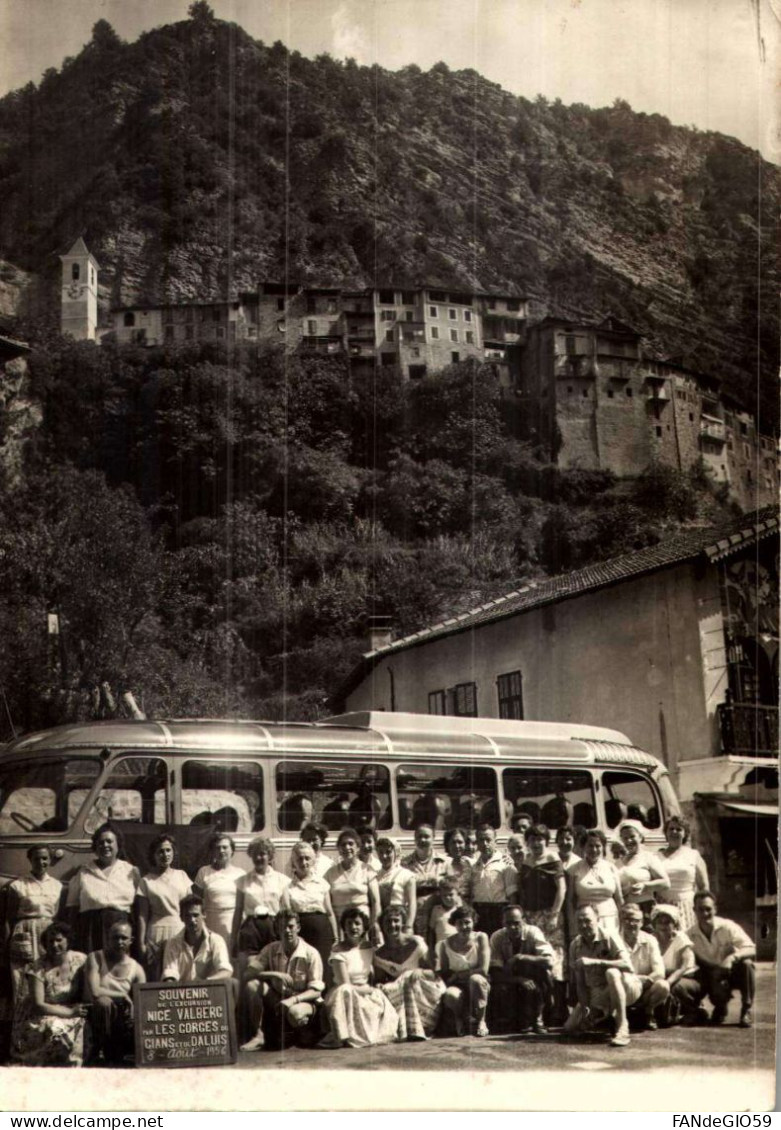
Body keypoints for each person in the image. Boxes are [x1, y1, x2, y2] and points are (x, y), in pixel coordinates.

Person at [240, 910, 324, 1052]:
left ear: (298, 928)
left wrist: (293, 1000)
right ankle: (259, 1036)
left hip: (304, 1001)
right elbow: (247, 974)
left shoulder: (311, 953)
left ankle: (303, 1033)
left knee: (295, 1014)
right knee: (252, 985)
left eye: (291, 926)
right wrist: (274, 974)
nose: (287, 931)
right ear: (277, 930)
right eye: (282, 927)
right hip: (278, 999)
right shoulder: (270, 949)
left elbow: (316, 991)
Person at [10, 921, 88, 1067]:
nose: (54, 945)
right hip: (41, 1012)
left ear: (68, 940)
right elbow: (38, 1005)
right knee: (54, 1027)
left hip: (69, 1007)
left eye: (59, 940)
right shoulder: (38, 967)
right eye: (50, 941)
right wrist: (70, 1012)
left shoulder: (80, 960)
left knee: (84, 1024)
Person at [320, 908, 399, 1048]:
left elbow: (383, 969)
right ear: (343, 927)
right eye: (349, 923)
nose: (353, 927)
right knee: (345, 990)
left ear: (364, 928)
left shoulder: (369, 948)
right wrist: (368, 990)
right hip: (343, 995)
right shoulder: (338, 949)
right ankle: (342, 1035)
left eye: (357, 923)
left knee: (380, 997)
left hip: (365, 991)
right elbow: (345, 984)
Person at [563, 905, 640, 1048]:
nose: (584, 925)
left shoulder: (609, 936)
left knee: (611, 972)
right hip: (599, 992)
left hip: (626, 986)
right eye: (579, 921)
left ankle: (622, 1026)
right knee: (570, 1027)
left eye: (587, 920)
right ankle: (605, 1018)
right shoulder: (575, 945)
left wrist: (596, 962)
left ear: (597, 919)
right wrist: (587, 1009)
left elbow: (628, 965)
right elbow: (580, 983)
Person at [517, 823, 567, 1022]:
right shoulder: (527, 861)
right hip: (531, 915)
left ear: (546, 840)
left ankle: (559, 1009)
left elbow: (561, 889)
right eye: (532, 840)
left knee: (554, 959)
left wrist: (554, 913)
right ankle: (541, 1010)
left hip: (550, 915)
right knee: (535, 960)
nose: (536, 843)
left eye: (539, 839)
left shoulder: (553, 858)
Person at [373, 904, 444, 1041]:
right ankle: (407, 1029)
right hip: (402, 992)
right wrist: (380, 985)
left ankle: (423, 1026)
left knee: (408, 977)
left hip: (425, 989)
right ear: (382, 925)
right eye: (388, 921)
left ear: (403, 922)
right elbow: (380, 980)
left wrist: (419, 971)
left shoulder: (416, 942)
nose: (392, 925)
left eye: (396, 920)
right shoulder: (379, 954)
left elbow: (434, 973)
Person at [66, 824, 141, 954]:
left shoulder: (131, 871)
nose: (105, 845)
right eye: (100, 842)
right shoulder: (83, 872)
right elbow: (72, 907)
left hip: (121, 929)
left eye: (109, 841)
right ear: (95, 847)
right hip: (90, 929)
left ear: (118, 845)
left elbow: (139, 907)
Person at [5, 846, 65, 1007]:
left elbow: (58, 915)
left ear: (50, 860)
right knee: (22, 978)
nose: (41, 862)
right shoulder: (18, 885)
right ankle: (22, 1024)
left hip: (48, 933)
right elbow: (8, 918)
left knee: (47, 974)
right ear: (30, 860)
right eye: (37, 858)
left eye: (44, 858)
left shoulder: (57, 886)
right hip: (24, 932)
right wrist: (5, 945)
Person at [161, 894, 238, 1017]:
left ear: (204, 914)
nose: (192, 920)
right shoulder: (172, 943)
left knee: (233, 983)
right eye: (187, 916)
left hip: (210, 996)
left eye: (196, 915)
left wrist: (203, 984)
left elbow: (226, 971)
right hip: (181, 997)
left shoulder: (216, 940)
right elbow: (170, 974)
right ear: (181, 918)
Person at [688, 891, 755, 1027]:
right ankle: (720, 1007)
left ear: (715, 909)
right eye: (700, 910)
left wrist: (732, 957)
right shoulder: (689, 935)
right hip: (711, 973)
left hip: (732, 970)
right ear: (694, 910)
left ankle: (746, 1009)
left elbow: (751, 948)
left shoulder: (728, 926)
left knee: (747, 965)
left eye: (708, 909)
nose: (705, 914)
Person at [85, 915, 146, 1065]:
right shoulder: (95, 958)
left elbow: (143, 1000)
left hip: (120, 1017)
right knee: (104, 1003)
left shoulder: (136, 968)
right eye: (115, 937)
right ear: (108, 938)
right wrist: (122, 995)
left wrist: (133, 1012)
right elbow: (94, 991)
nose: (119, 942)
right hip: (95, 1012)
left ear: (131, 940)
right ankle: (99, 1052)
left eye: (123, 938)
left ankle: (120, 1054)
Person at [488, 904, 554, 1034]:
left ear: (524, 920)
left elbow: (549, 961)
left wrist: (521, 957)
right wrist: (518, 979)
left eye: (517, 923)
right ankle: (510, 1019)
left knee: (544, 972)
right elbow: (495, 972)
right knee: (497, 985)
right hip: (511, 978)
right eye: (509, 923)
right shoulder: (497, 937)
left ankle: (538, 1019)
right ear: (503, 922)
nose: (513, 927)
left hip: (533, 976)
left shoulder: (533, 932)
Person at [136, 834, 192, 980]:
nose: (165, 854)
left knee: (180, 972)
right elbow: (142, 915)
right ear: (153, 855)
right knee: (156, 975)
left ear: (173, 852)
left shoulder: (182, 876)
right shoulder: (146, 881)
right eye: (160, 851)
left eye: (168, 850)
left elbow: (191, 908)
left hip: (179, 930)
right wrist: (142, 942)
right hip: (156, 932)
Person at [231, 837, 290, 973]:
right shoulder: (242, 881)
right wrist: (233, 939)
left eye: (262, 853)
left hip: (274, 928)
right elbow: (238, 912)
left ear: (270, 856)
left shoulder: (281, 880)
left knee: (275, 969)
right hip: (251, 929)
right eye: (255, 854)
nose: (258, 857)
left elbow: (287, 909)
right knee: (251, 970)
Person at [280, 842, 338, 973]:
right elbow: (288, 914)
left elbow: (330, 912)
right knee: (303, 968)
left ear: (313, 861)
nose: (304, 862)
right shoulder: (287, 887)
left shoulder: (322, 884)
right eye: (299, 858)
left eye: (307, 858)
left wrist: (336, 938)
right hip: (301, 933)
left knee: (324, 967)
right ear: (293, 862)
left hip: (322, 933)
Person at [435, 903, 491, 1037]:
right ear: (454, 924)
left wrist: (458, 975)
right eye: (460, 923)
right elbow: (445, 972)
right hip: (458, 985)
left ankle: (481, 1021)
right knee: (450, 995)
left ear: (474, 922)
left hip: (479, 982)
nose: (464, 927)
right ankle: (458, 1019)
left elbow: (483, 969)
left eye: (467, 922)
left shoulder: (481, 937)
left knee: (475, 980)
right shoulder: (445, 944)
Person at [325, 827, 382, 943]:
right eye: (343, 845)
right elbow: (327, 906)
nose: (347, 848)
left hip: (363, 926)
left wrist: (373, 926)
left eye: (351, 844)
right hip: (340, 927)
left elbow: (376, 902)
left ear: (357, 847)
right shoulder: (330, 873)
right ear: (339, 849)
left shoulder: (367, 870)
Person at [619, 903, 669, 1030]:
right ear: (621, 921)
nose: (632, 924)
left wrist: (641, 982)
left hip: (645, 989)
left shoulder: (650, 940)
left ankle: (647, 1012)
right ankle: (619, 1015)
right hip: (623, 989)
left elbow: (660, 972)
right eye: (628, 919)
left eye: (636, 920)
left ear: (641, 923)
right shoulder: (614, 940)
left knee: (663, 986)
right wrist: (638, 980)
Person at [649, 903, 700, 1027]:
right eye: (660, 922)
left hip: (685, 980)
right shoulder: (650, 939)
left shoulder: (681, 938)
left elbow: (683, 967)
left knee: (674, 987)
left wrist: (668, 982)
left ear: (675, 924)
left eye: (667, 922)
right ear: (654, 924)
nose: (663, 926)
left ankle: (693, 1010)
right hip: (661, 978)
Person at [567, 829, 623, 936]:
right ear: (584, 847)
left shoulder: (611, 868)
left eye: (598, 846)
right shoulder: (574, 869)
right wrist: (572, 925)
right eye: (590, 846)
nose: (594, 849)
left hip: (610, 918)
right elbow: (570, 901)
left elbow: (619, 899)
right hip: (585, 920)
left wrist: (622, 923)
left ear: (603, 847)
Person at [658, 816, 709, 931]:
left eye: (679, 829)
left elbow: (704, 887)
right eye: (671, 829)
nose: (674, 832)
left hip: (687, 907)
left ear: (685, 834)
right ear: (665, 833)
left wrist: (702, 910)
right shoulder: (656, 856)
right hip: (663, 906)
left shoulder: (693, 855)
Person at [193, 833, 245, 948]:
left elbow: (244, 906)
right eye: (217, 848)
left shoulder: (240, 874)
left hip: (233, 923)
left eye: (225, 847)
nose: (221, 851)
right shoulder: (204, 872)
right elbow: (196, 902)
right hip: (211, 922)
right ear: (212, 851)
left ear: (232, 850)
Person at [615, 820, 669, 918]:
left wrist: (645, 886)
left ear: (640, 837)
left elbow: (665, 883)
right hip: (625, 910)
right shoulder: (618, 862)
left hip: (645, 908)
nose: (629, 841)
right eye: (625, 838)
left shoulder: (648, 857)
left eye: (632, 837)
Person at [470, 823, 517, 937]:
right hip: (479, 912)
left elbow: (512, 896)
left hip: (499, 912)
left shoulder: (505, 864)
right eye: (481, 840)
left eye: (488, 840)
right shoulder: (474, 864)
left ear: (495, 841)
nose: (485, 844)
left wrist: (510, 918)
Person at [402, 824, 449, 935]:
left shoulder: (444, 862)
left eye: (427, 836)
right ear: (414, 839)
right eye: (419, 836)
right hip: (414, 917)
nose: (422, 840)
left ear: (433, 838)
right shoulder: (404, 864)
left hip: (438, 916)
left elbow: (450, 887)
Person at [375, 837, 417, 927]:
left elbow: (412, 903)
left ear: (395, 852)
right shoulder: (375, 876)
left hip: (399, 922)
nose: (384, 856)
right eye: (380, 852)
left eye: (388, 852)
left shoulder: (407, 875)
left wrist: (409, 926)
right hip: (382, 923)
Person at [426, 876, 461, 958]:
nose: (447, 898)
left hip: (458, 949)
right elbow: (431, 931)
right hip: (441, 950)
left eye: (451, 895)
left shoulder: (460, 910)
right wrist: (431, 949)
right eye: (444, 895)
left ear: (458, 894)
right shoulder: (436, 910)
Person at [442, 827, 474, 899]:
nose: (457, 846)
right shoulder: (442, 864)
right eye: (453, 842)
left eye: (460, 842)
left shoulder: (469, 863)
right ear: (447, 844)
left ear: (465, 844)